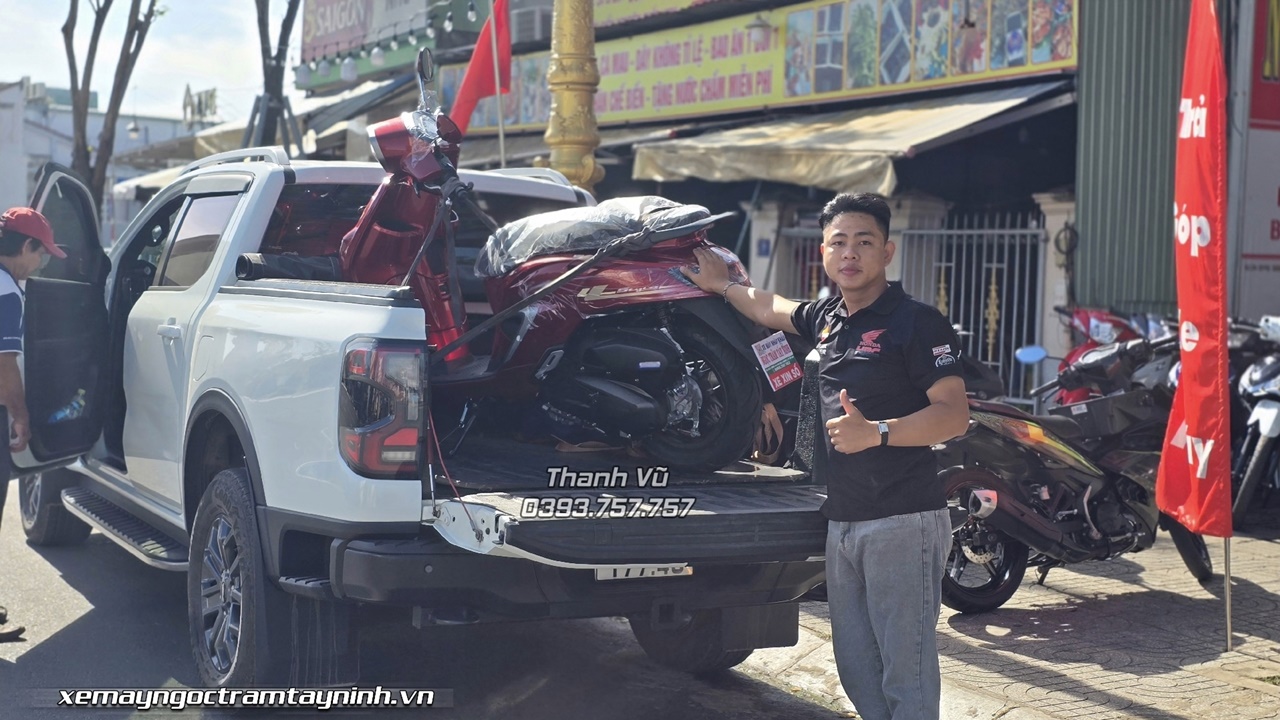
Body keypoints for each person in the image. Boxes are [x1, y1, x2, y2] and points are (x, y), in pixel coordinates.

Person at [681, 192, 969, 720]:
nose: (850, 253)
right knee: (857, 667)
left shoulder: (917, 322)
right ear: (824, 254)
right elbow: (772, 308)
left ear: (888, 251)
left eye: (864, 241)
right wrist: (722, 285)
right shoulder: (830, 318)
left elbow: (953, 414)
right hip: (844, 521)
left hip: (903, 519)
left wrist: (877, 432)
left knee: (906, 670)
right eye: (839, 243)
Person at [0, 206, 66, 643]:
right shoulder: (6, 291)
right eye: (41, 254)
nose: (41, 264)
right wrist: (19, 413)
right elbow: (4, 363)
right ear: (26, 246)